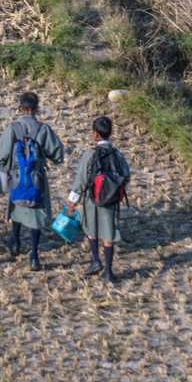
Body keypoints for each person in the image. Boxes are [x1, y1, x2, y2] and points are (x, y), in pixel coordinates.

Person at [0, 91, 65, 271]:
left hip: (16, 178)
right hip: (37, 178)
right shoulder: (44, 129)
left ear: (19, 109)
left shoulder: (12, 128)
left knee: (16, 208)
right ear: (37, 109)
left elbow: (2, 156)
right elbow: (57, 154)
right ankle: (34, 256)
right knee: (37, 213)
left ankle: (16, 243)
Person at [66, 115, 132, 283]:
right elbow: (126, 176)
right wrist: (115, 190)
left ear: (95, 134)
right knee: (108, 233)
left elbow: (80, 180)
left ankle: (96, 261)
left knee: (90, 229)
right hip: (111, 201)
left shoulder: (90, 154)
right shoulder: (118, 155)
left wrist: (72, 203)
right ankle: (109, 272)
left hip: (92, 199)